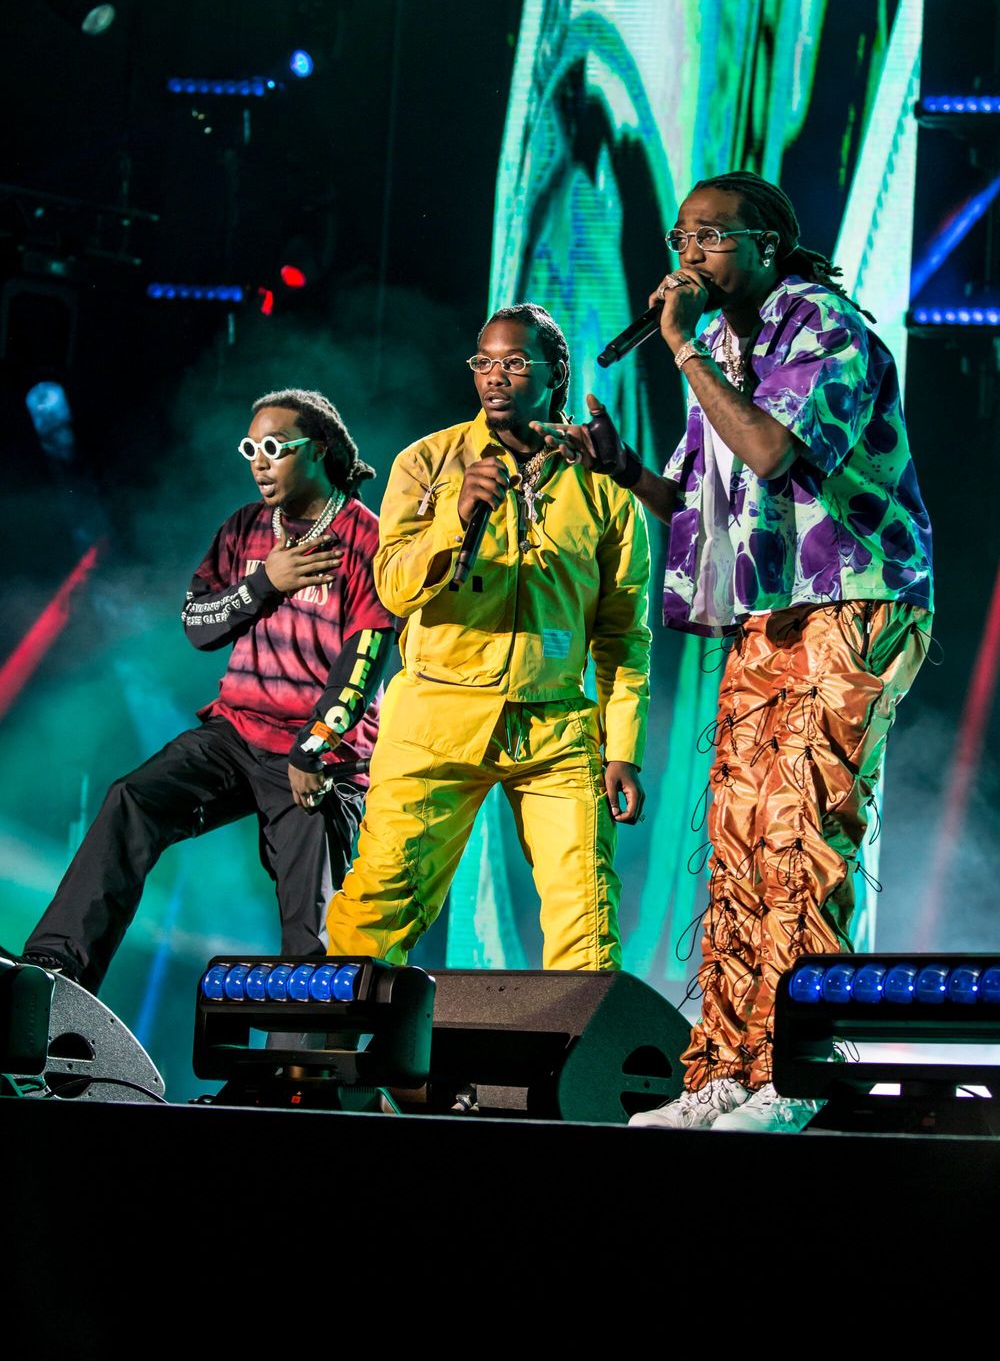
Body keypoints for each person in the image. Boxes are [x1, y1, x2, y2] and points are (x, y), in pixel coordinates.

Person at [534, 172, 934, 1131]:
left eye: (710, 235)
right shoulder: (719, 345)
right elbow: (692, 498)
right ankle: (724, 1066)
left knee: (799, 832)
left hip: (856, 595)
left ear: (767, 245)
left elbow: (771, 453)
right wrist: (620, 467)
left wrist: (677, 347)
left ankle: (797, 1071)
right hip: (772, 607)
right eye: (681, 236)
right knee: (739, 834)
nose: (689, 253)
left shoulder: (826, 328)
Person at [17, 388, 397, 994]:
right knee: (131, 799)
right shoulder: (245, 527)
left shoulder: (366, 538)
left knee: (313, 921)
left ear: (320, 449)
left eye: (275, 447)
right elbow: (198, 626)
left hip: (317, 750)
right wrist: (264, 583)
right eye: (251, 448)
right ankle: (55, 973)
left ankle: (303, 1051)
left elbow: (367, 657)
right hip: (234, 732)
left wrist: (313, 747)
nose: (259, 462)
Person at [323, 302, 651, 973]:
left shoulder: (603, 484)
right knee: (379, 904)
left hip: (554, 727)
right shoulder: (428, 462)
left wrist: (623, 748)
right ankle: (342, 1038)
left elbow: (623, 632)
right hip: (435, 719)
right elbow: (394, 589)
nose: (495, 376)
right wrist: (456, 515)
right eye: (484, 362)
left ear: (556, 374)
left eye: (515, 362)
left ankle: (575, 1046)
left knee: (587, 920)